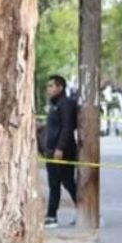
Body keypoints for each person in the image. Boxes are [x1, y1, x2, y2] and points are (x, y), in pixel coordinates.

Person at [42, 75, 79, 228]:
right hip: (51, 151)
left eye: (52, 86)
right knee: (54, 183)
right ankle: (51, 216)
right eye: (48, 86)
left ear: (60, 87)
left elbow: (67, 128)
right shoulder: (54, 104)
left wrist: (60, 148)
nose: (49, 89)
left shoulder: (66, 104)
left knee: (68, 182)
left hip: (63, 151)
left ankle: (87, 211)